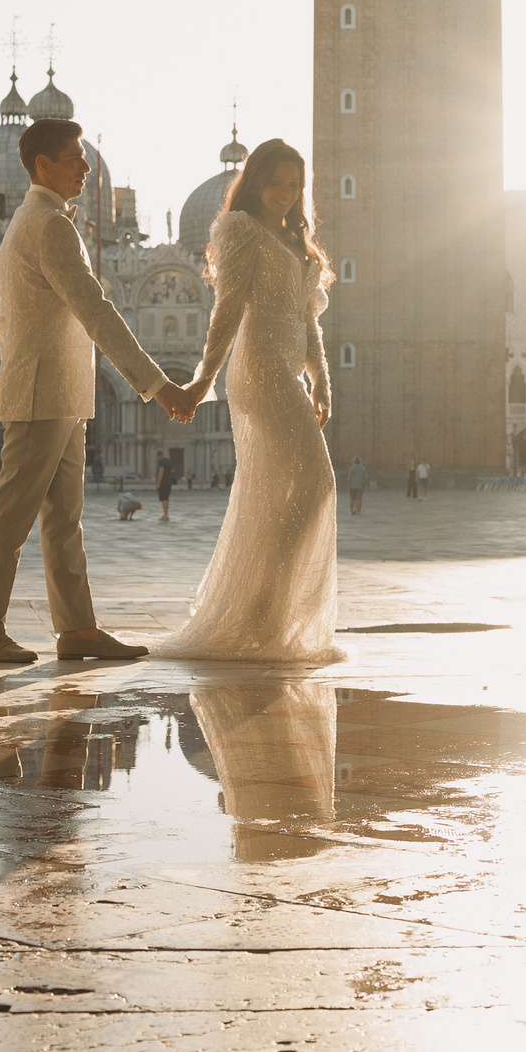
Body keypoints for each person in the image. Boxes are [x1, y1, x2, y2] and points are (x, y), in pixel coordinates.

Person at [0, 118, 196, 664]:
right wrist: (158, 386)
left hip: (63, 392)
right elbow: (95, 309)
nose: (86, 168)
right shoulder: (47, 225)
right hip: (43, 391)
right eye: (75, 158)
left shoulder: (39, 221)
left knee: (64, 520)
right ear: (43, 165)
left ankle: (77, 630)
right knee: (12, 516)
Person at [155, 139, 343, 665]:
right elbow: (229, 309)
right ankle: (263, 606)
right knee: (317, 483)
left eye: (295, 185)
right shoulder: (240, 230)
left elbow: (309, 323)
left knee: (288, 490)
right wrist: (200, 383)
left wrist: (322, 383)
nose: (285, 193)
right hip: (258, 369)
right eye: (277, 181)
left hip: (291, 371)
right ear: (255, 180)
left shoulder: (297, 240)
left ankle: (266, 610)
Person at [155, 448, 180, 521]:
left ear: (157, 455)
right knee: (166, 498)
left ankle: (165, 515)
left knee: (163, 499)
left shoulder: (160, 461)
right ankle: (166, 514)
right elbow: (173, 470)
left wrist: (158, 483)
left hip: (163, 482)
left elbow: (161, 471)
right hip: (169, 482)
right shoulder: (169, 460)